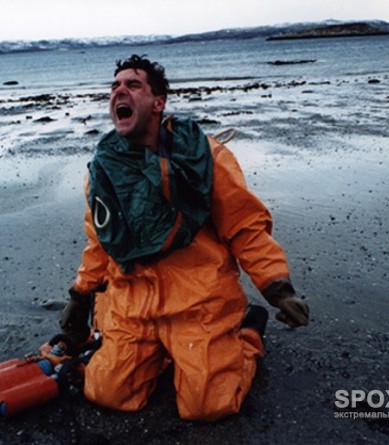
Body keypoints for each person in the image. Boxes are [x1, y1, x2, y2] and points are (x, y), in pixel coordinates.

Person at [59, 54, 309, 421]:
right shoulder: (102, 172)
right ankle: (159, 355)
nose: (119, 91)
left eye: (133, 84)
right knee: (107, 393)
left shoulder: (205, 157)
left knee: (209, 406)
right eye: (115, 86)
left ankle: (248, 333)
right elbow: (100, 243)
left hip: (197, 301)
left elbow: (245, 227)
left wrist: (277, 288)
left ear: (158, 103)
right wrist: (80, 297)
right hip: (133, 304)